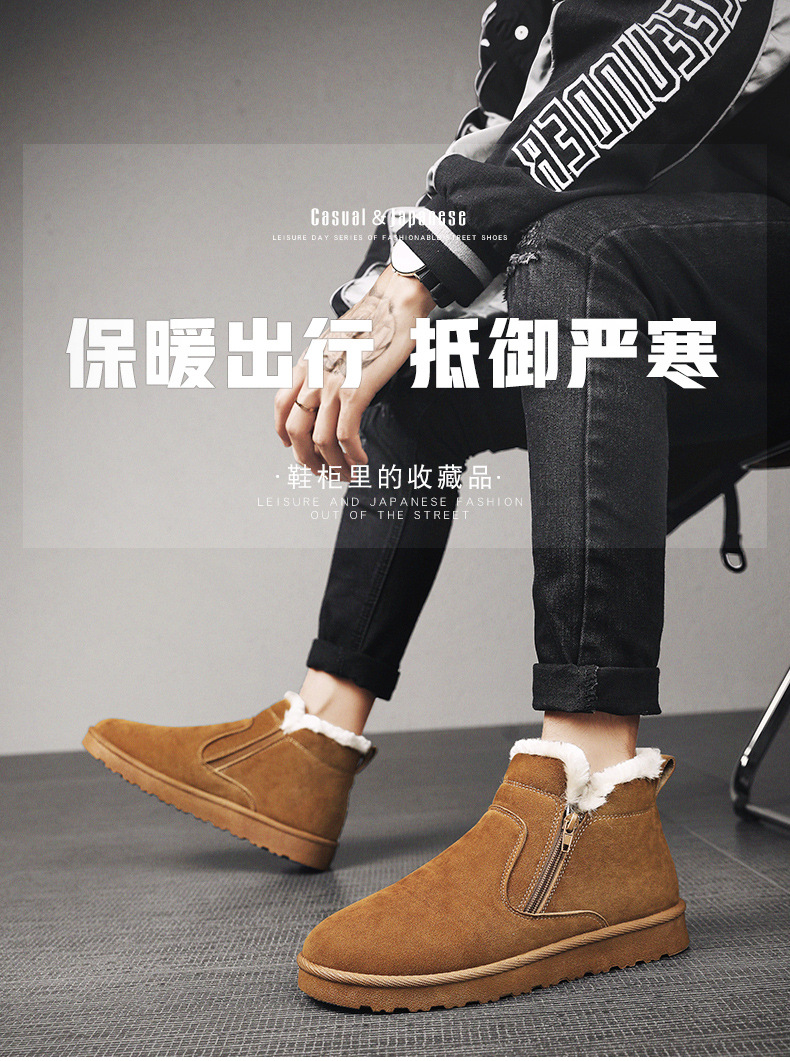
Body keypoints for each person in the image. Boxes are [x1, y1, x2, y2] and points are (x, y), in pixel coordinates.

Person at [83, 0, 790, 1012]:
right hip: (703, 282)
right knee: (421, 369)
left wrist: (421, 274)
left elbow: (678, 45)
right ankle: (315, 739)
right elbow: (504, 128)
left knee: (587, 254)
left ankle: (593, 801)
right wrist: (382, 298)